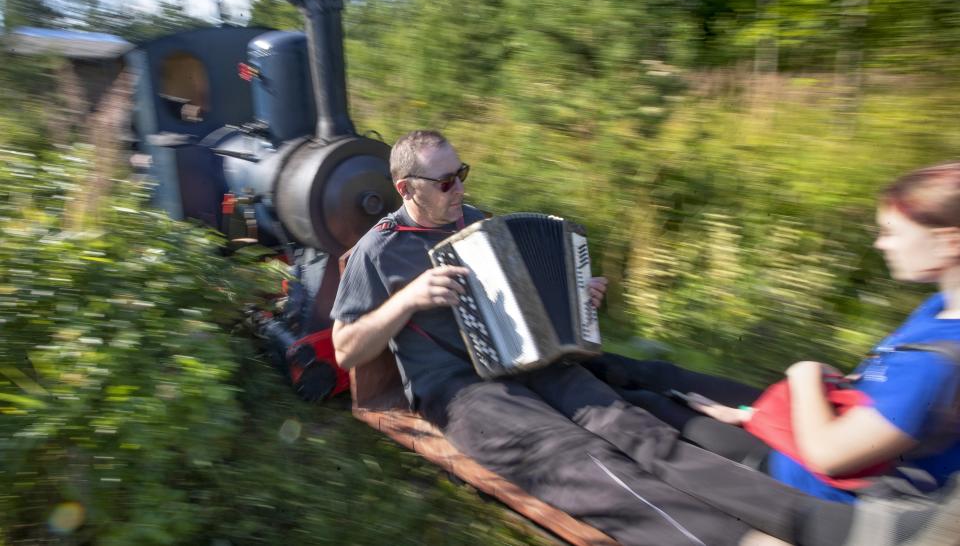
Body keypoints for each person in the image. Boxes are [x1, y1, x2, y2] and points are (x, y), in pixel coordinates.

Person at [331, 131, 960, 546]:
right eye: (445, 183)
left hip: (525, 362)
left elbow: (523, 306)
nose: (460, 189)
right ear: (406, 189)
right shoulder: (376, 254)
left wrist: (576, 300)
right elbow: (346, 350)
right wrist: (407, 300)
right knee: (579, 459)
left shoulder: (478, 223)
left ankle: (834, 526)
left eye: (461, 173)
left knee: (638, 429)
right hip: (461, 390)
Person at [585, 161, 960, 508]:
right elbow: (863, 401)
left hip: (805, 487)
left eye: (892, 232)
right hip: (801, 440)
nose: (881, 243)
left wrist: (806, 374)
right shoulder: (936, 312)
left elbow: (827, 455)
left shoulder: (939, 362)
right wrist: (755, 415)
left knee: (629, 408)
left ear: (949, 241)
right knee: (657, 376)